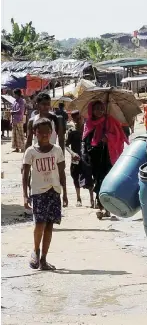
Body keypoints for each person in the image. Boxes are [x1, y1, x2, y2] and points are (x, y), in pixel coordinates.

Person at [22, 118, 68, 271]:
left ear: (51, 133)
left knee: (49, 225)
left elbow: (62, 173)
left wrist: (65, 193)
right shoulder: (30, 151)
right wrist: (25, 195)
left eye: (47, 132)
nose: (44, 135)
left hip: (54, 191)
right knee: (39, 224)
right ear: (35, 133)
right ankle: (35, 250)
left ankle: (43, 260)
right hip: (38, 192)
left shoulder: (57, 150)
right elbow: (25, 174)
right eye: (40, 132)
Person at [82, 101, 128, 220]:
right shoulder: (88, 123)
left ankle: (105, 207)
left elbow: (118, 135)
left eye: (101, 109)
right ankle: (102, 205)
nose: (99, 111)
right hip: (94, 156)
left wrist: (108, 138)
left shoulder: (109, 121)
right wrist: (86, 152)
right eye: (96, 109)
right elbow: (85, 139)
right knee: (97, 179)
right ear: (91, 110)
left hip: (108, 155)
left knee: (106, 180)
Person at [66, 110, 94, 208]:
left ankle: (92, 199)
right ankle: (78, 198)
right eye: (75, 118)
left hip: (86, 157)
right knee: (75, 176)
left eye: (79, 118)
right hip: (76, 157)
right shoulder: (71, 131)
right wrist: (72, 153)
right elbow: (66, 145)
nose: (77, 120)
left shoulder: (88, 129)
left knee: (89, 176)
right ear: (72, 119)